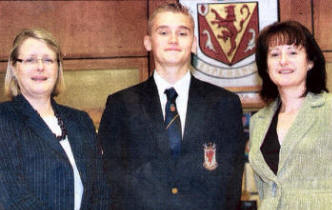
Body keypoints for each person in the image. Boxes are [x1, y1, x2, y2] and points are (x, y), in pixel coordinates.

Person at [98, 3, 245, 210]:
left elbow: (231, 186)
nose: (173, 40)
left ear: (194, 43)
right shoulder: (120, 105)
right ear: (148, 42)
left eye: (182, 33)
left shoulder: (224, 104)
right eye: (164, 32)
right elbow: (110, 182)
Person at [0, 28, 110, 209]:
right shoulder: (4, 120)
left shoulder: (81, 121)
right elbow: (12, 195)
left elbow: (100, 190)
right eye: (30, 60)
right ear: (14, 67)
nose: (40, 67)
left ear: (58, 68)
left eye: (48, 60)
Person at [249, 20, 332, 209]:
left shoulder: (329, 109)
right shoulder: (258, 121)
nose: (283, 61)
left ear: (310, 61)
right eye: (275, 54)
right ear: (265, 65)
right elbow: (265, 190)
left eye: (293, 52)